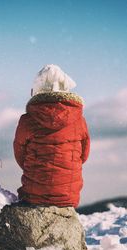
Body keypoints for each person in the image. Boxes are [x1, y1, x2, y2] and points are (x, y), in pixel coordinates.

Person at [13, 64, 90, 208]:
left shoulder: (27, 120)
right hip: (68, 197)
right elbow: (84, 155)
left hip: (34, 196)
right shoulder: (79, 120)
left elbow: (20, 156)